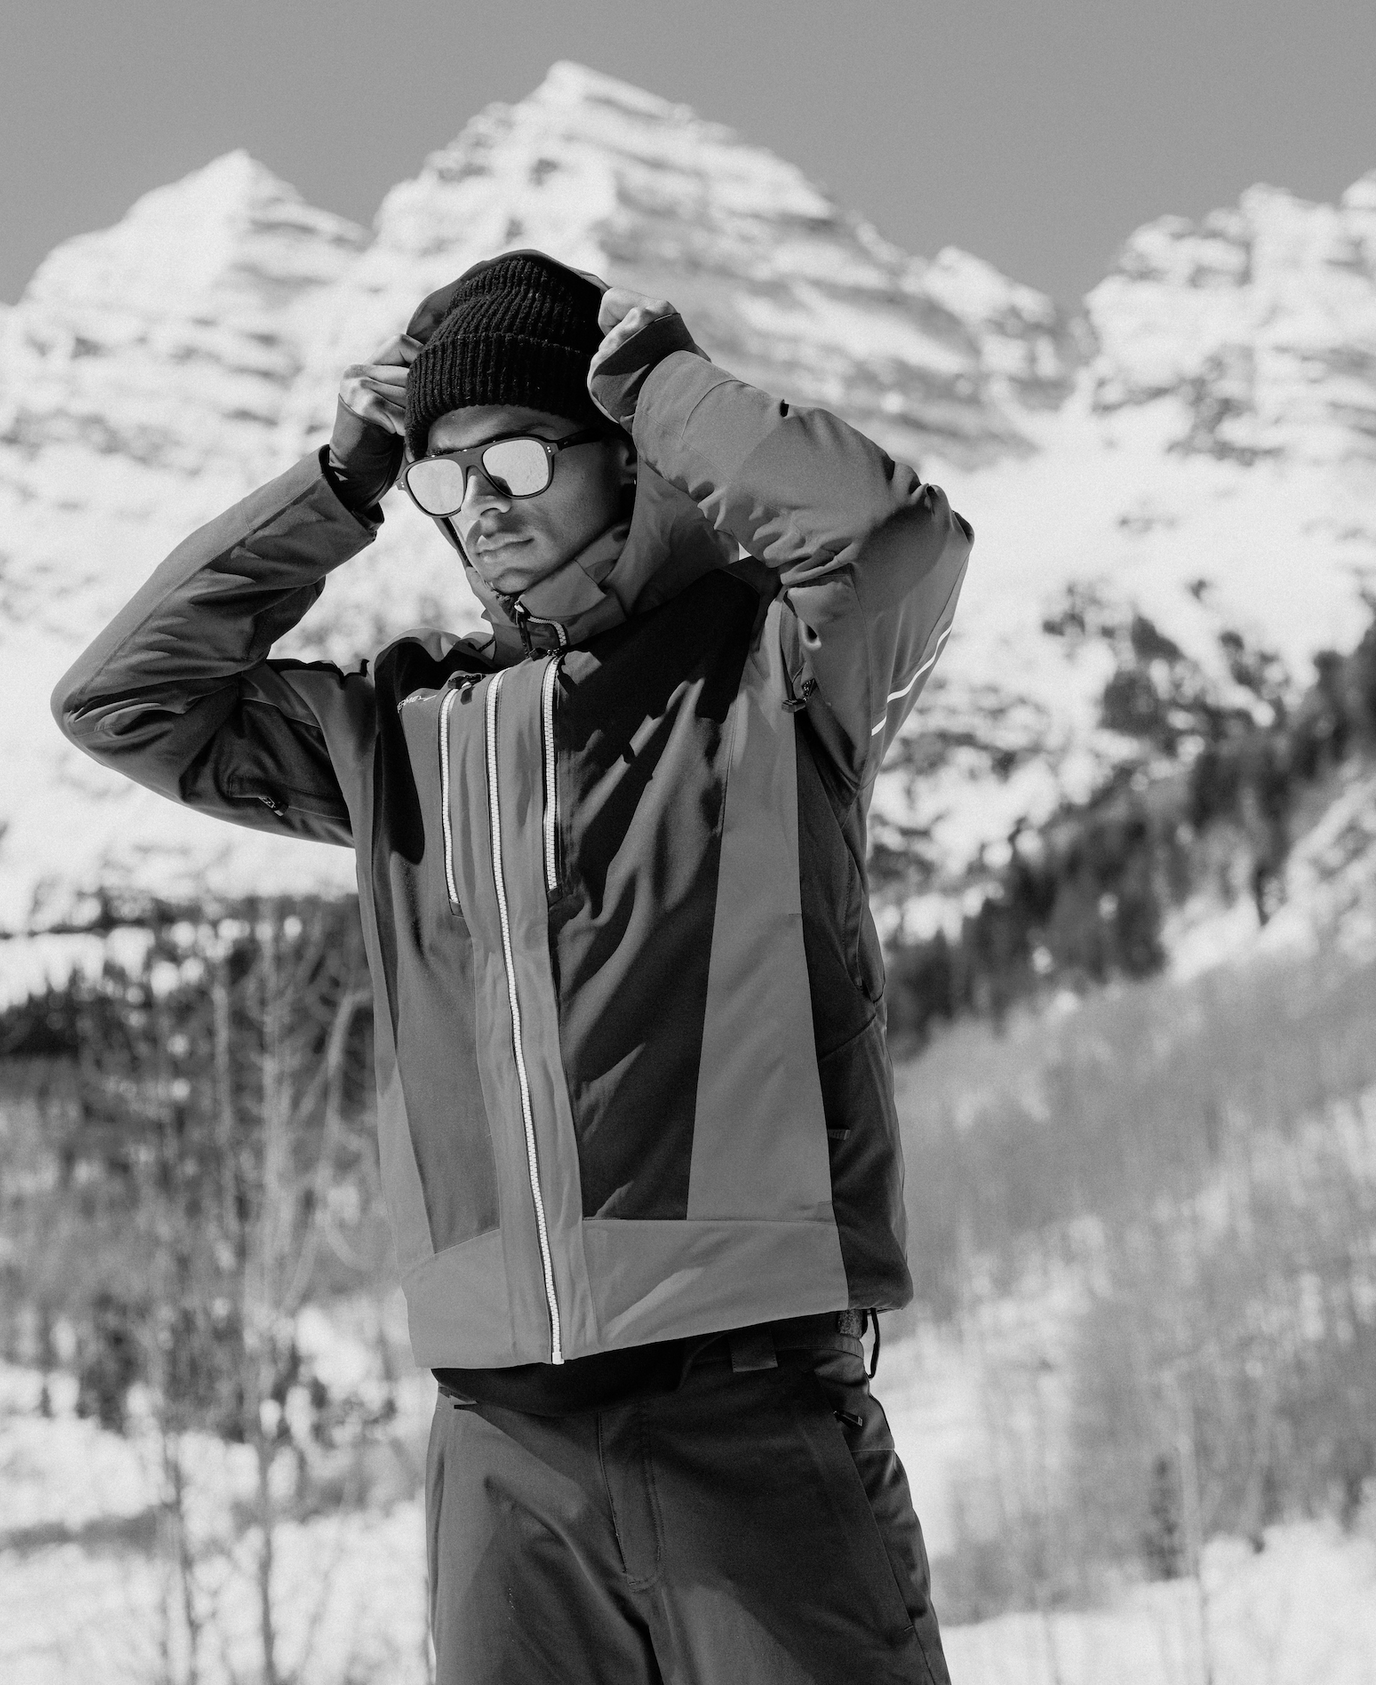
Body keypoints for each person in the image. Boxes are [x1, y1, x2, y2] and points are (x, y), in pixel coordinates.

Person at [54, 250, 972, 1684]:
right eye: (444, 474)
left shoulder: (766, 675)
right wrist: (340, 481)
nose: (480, 502)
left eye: (525, 454)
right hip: (498, 1446)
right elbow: (125, 701)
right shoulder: (400, 730)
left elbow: (895, 542)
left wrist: (668, 386)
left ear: (625, 461)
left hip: (749, 1411)